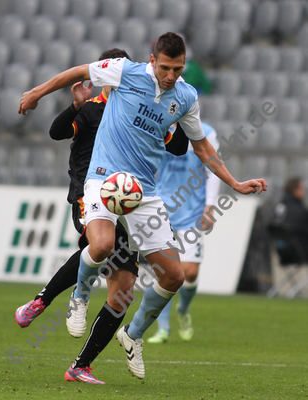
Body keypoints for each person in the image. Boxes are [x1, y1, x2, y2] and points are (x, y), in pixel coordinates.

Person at [18, 32, 267, 380]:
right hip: (103, 178)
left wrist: (235, 183)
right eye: (165, 67)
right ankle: (79, 295)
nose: (170, 75)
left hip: (143, 193)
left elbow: (203, 149)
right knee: (102, 244)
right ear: (153, 60)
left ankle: (132, 334)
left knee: (174, 276)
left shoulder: (185, 96)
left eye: (177, 69)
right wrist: (35, 94)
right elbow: (76, 71)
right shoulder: (125, 71)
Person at [15, 47, 190, 384]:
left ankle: (80, 365)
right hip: (89, 195)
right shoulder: (94, 110)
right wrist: (75, 106)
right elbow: (56, 132)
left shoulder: (143, 112)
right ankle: (44, 300)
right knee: (102, 245)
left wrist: (178, 112)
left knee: (123, 289)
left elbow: (178, 146)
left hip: (131, 204)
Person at [148, 122, 220, 344]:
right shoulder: (159, 125)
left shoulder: (206, 132)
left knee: (189, 273)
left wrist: (210, 205)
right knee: (165, 272)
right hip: (162, 209)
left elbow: (213, 167)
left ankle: (183, 309)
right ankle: (162, 329)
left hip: (192, 212)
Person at [272, 177, 308, 262]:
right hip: (300, 253)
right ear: (295, 191)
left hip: (282, 253)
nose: (304, 191)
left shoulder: (280, 207)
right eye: (302, 188)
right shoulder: (298, 210)